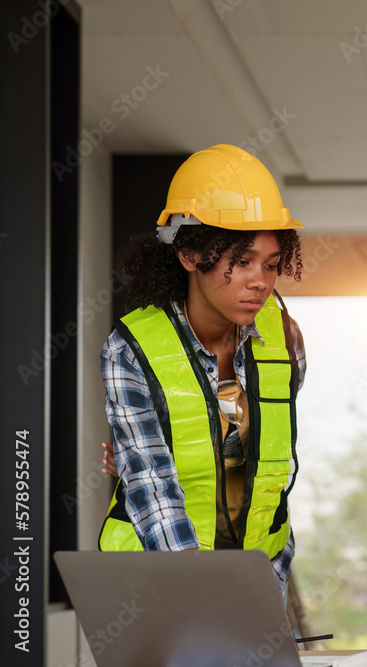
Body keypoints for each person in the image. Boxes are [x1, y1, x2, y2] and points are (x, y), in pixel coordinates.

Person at [98, 144, 306, 600]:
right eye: (242, 261)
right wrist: (199, 594)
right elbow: (153, 487)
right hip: (158, 583)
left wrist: (261, 589)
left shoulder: (284, 337)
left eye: (271, 264)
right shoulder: (131, 350)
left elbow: (267, 460)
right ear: (190, 255)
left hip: (258, 576)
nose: (261, 281)